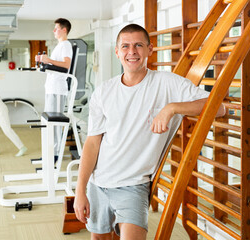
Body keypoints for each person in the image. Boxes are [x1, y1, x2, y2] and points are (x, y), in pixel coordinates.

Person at [73, 24, 226, 240]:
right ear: (117, 52)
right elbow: (92, 144)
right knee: (99, 238)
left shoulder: (167, 83)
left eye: (138, 45)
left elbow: (218, 108)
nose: (132, 52)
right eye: (125, 46)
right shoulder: (104, 91)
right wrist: (80, 191)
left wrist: (172, 108)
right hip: (98, 182)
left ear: (150, 50)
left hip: (134, 185)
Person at [35, 18, 73, 162]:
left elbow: (66, 65)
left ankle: (55, 154)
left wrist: (48, 60)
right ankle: (49, 153)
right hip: (51, 89)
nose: (54, 31)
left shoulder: (66, 45)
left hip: (58, 90)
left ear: (64, 30)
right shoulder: (59, 46)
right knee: (48, 122)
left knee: (55, 123)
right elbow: (55, 66)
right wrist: (44, 61)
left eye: (56, 28)